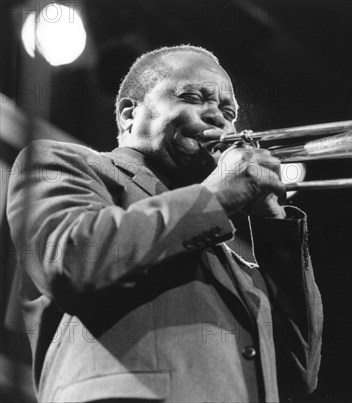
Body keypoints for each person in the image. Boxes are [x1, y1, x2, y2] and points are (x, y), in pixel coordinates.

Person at [6, 45, 323, 402]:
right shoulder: (66, 163)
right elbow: (71, 258)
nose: (218, 117)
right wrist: (217, 197)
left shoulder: (226, 246)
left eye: (228, 110)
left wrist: (273, 224)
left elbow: (300, 372)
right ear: (129, 114)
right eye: (193, 97)